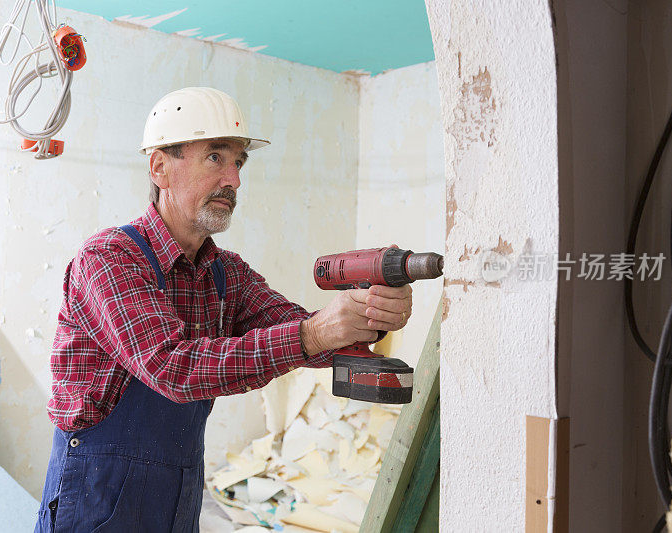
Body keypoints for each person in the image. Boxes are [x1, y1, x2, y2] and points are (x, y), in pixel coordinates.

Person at [34, 87, 413, 532]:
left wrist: (368, 318)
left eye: (239, 162)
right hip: (99, 495)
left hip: (179, 491)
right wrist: (316, 333)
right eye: (216, 157)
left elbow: (302, 332)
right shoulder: (110, 259)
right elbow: (171, 367)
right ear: (159, 167)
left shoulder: (225, 273)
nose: (233, 180)